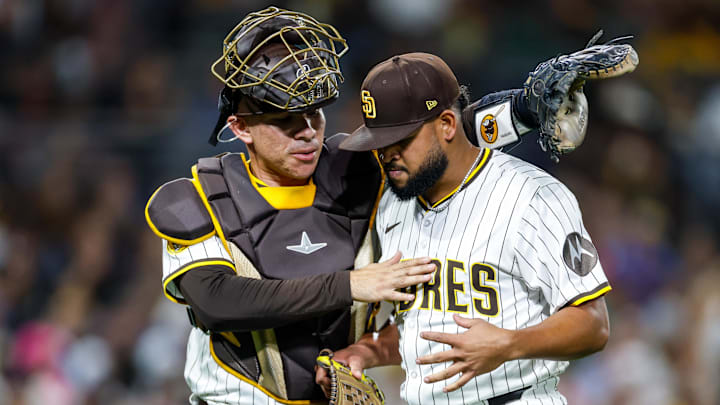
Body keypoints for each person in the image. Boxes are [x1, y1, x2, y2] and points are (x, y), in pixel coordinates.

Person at [144, 6, 586, 405]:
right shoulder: (198, 198)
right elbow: (217, 303)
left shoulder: (351, 173)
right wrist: (351, 285)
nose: (307, 134)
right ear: (240, 127)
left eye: (314, 115)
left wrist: (523, 111)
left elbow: (440, 138)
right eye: (285, 122)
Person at [317, 52, 611, 405]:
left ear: (447, 124)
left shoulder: (533, 196)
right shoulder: (393, 206)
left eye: (402, 140)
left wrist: (509, 343)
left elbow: (593, 326)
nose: (388, 154)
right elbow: (421, 329)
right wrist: (366, 352)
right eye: (380, 143)